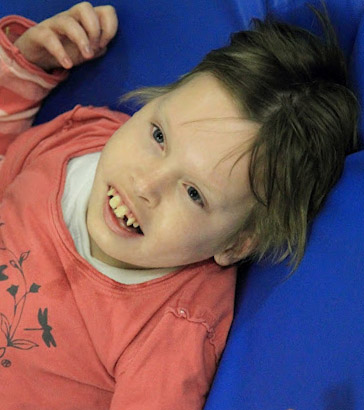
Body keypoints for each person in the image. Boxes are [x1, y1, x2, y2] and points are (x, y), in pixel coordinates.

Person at [0, 2, 359, 409]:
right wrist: (24, 65)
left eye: (193, 194)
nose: (145, 185)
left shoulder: (174, 328)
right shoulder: (81, 135)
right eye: (158, 136)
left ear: (237, 244)